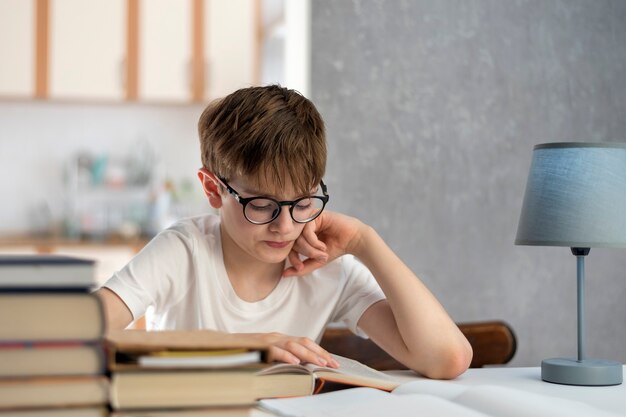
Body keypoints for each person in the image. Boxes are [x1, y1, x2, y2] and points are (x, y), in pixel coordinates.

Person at [96, 85, 472, 379]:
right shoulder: (184, 251)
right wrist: (245, 346)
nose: (286, 226)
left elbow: (448, 359)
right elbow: (66, 338)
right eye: (262, 204)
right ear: (214, 190)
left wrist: (365, 241)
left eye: (304, 203)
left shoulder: (325, 266)